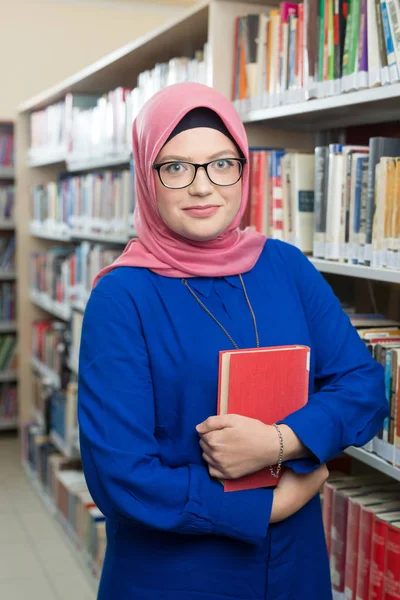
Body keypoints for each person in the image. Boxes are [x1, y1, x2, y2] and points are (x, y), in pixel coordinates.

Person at [77, 82, 388, 600]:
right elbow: (120, 476)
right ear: (146, 178)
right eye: (175, 167)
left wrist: (282, 442)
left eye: (222, 163)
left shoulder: (285, 264)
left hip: (294, 569)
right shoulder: (121, 296)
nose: (203, 187)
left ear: (243, 169)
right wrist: (268, 506)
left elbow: (364, 385)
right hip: (176, 577)